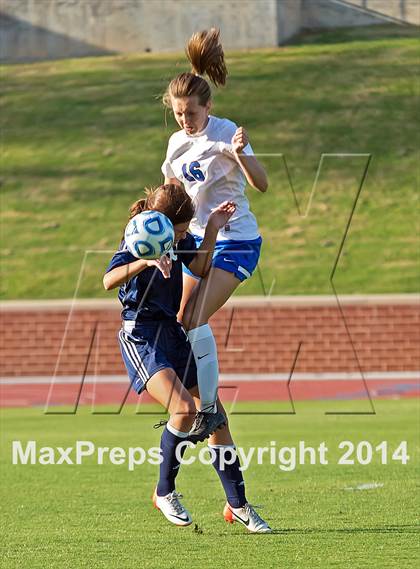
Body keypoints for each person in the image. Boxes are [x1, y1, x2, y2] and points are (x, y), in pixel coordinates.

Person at [103, 185, 271, 532]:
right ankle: (164, 492)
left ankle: (237, 505)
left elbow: (198, 265)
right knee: (183, 409)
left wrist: (210, 228)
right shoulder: (139, 238)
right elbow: (108, 280)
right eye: (181, 230)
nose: (183, 236)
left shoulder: (178, 238)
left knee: (215, 417)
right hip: (142, 334)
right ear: (163, 224)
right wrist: (144, 261)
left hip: (172, 333)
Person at [161, 28, 268, 424]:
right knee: (179, 321)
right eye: (178, 113)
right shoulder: (175, 143)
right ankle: (201, 401)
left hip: (236, 240)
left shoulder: (226, 132)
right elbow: (173, 192)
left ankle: (208, 407)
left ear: (207, 106)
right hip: (198, 243)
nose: (185, 120)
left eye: (191, 112)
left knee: (193, 319)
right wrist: (158, 232)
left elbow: (261, 184)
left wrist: (241, 155)